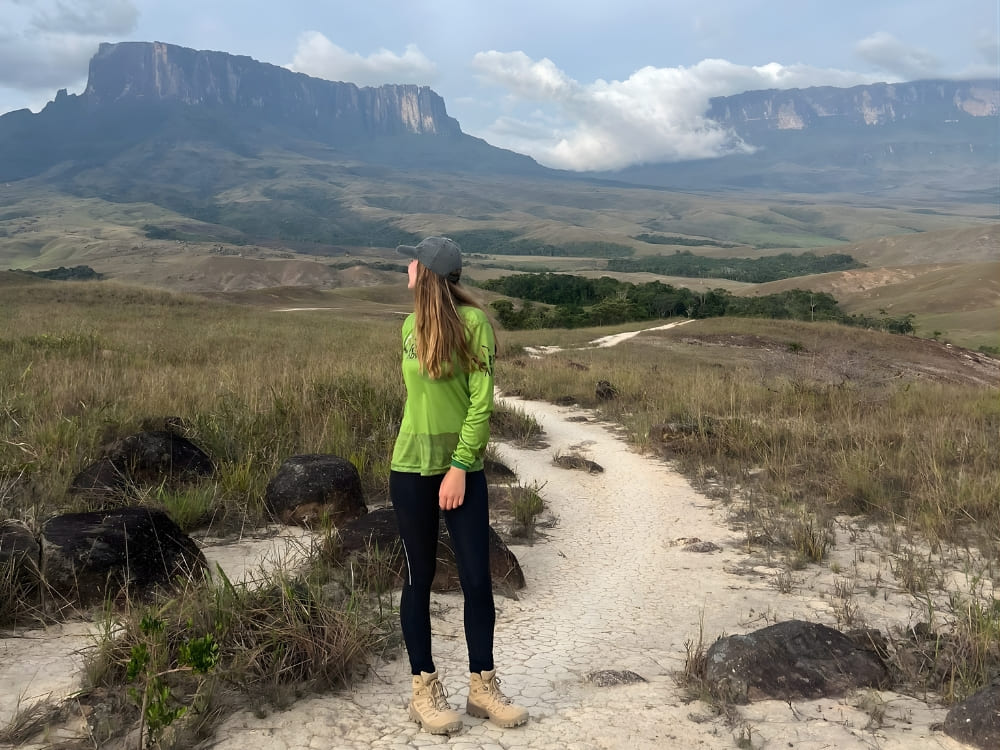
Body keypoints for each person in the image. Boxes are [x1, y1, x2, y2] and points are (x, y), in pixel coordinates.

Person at [390, 236, 529, 735]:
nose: (406, 265)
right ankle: (423, 691)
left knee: (475, 578)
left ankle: (482, 687)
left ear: (426, 273)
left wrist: (459, 465)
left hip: (459, 469)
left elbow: (479, 404)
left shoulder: (474, 326)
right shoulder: (408, 327)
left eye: (413, 260)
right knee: (418, 578)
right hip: (409, 467)